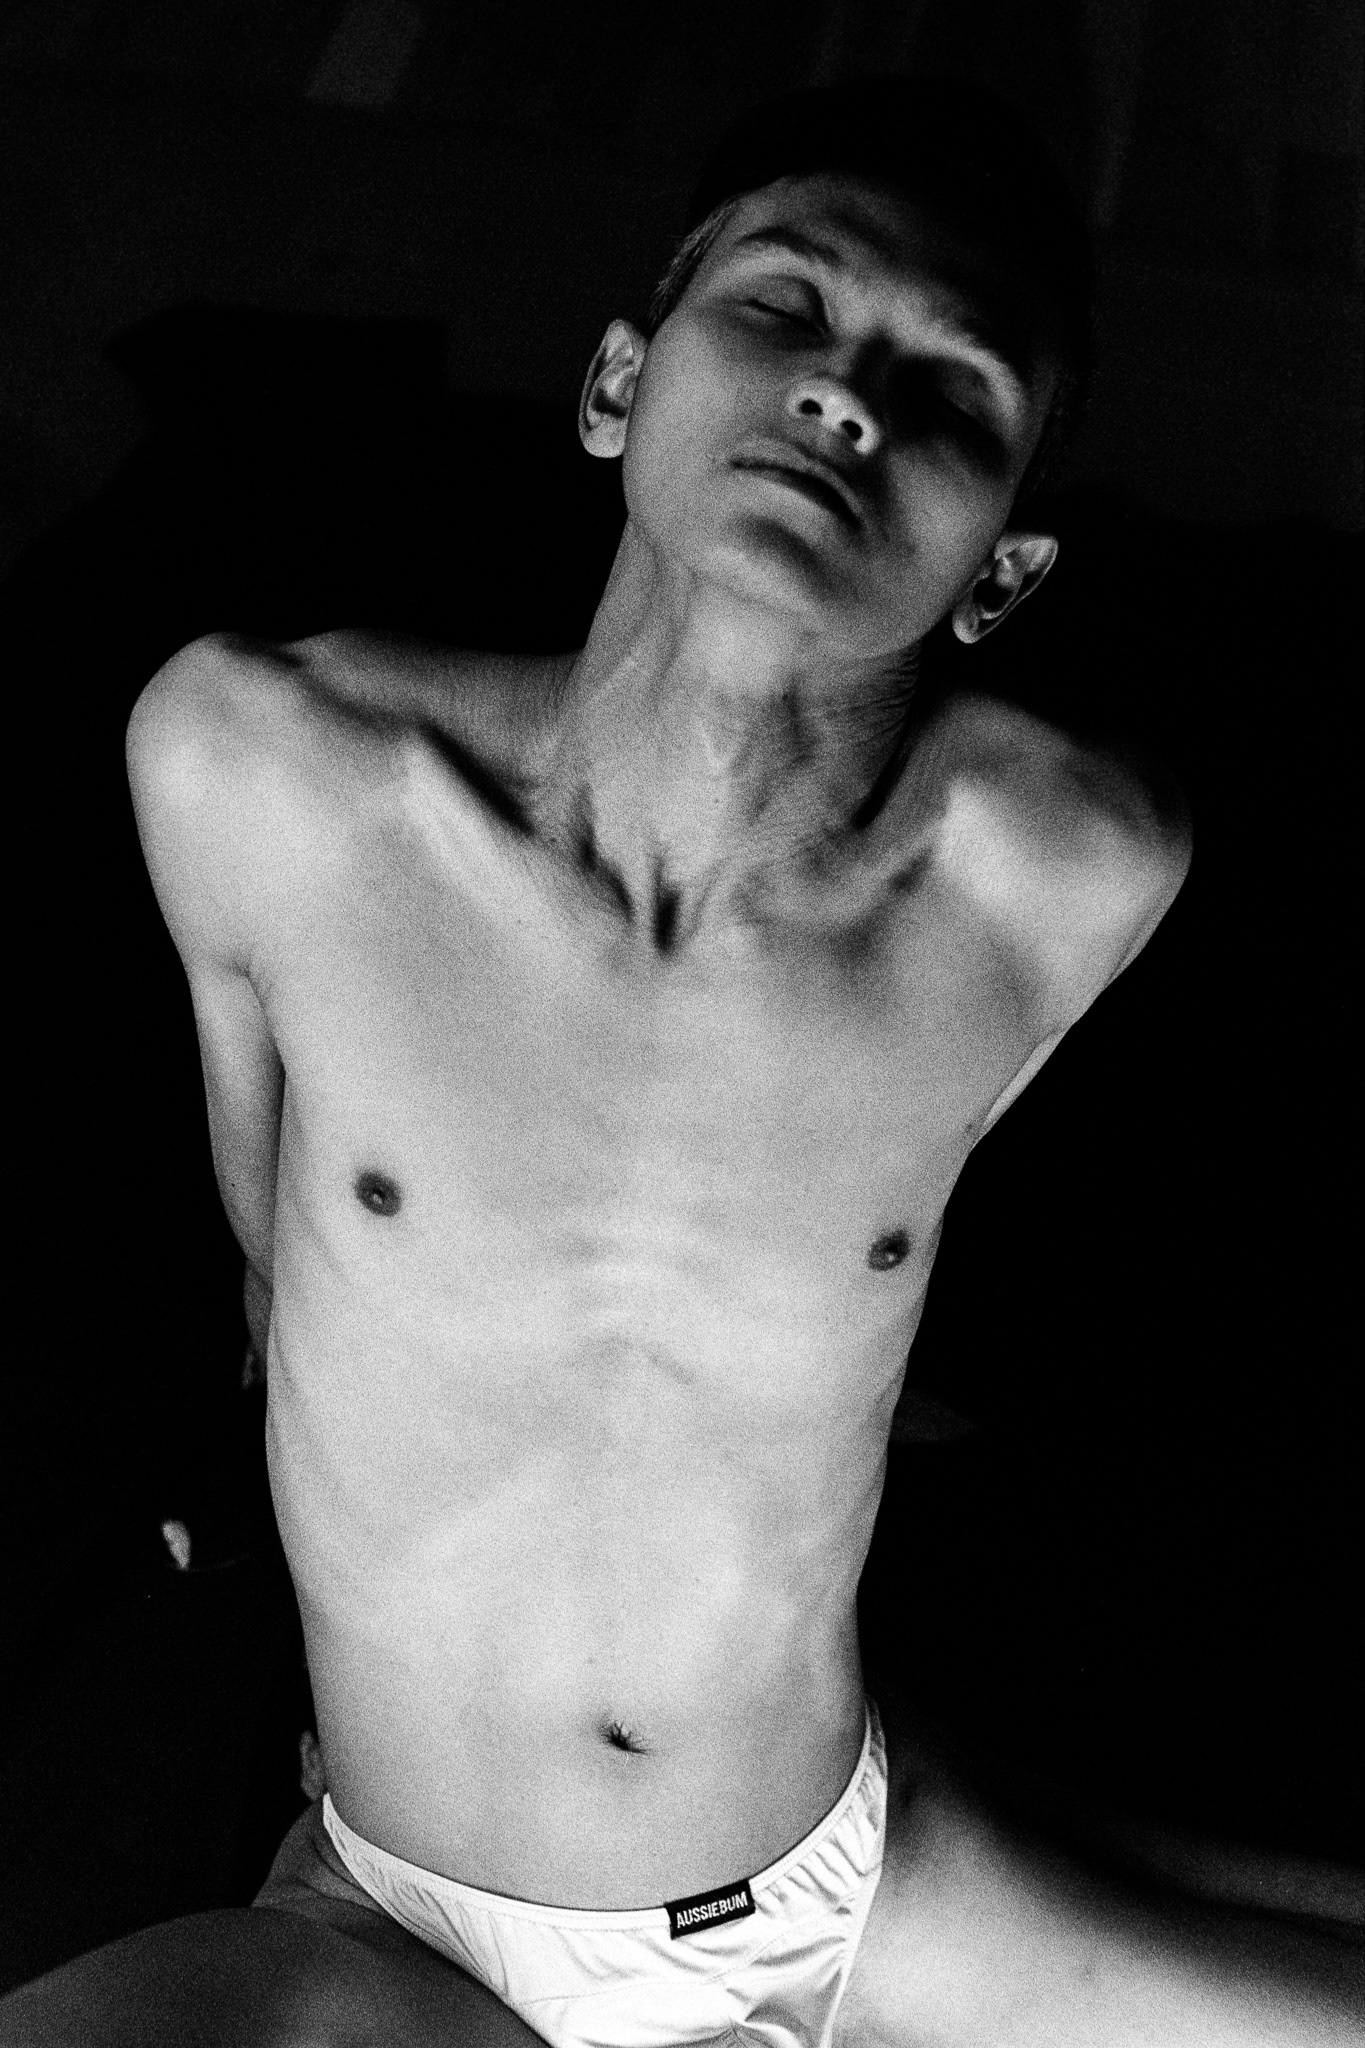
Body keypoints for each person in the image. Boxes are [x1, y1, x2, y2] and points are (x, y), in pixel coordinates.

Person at [3, 76, 1360, 2048]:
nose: (842, 398)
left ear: (999, 573)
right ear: (615, 384)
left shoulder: (1048, 874)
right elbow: (272, 1259)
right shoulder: (259, 771)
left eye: (947, 390)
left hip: (837, 1878)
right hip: (402, 1919)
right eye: (783, 307)